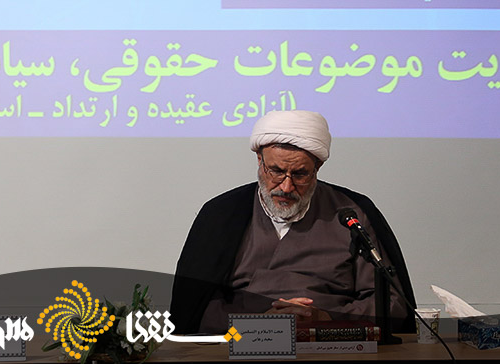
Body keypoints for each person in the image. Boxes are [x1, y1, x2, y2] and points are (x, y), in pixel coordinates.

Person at [169, 110, 415, 334]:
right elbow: (195, 308)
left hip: (334, 348)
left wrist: (328, 319)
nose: (286, 187)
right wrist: (257, 324)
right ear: (259, 160)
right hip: (242, 348)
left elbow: (392, 303)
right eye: (276, 171)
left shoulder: (350, 213)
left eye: (300, 174)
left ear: (318, 167)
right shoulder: (222, 214)